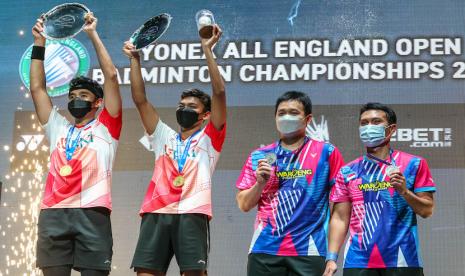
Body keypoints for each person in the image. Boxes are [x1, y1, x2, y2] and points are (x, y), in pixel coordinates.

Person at [123, 25, 226, 276]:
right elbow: (139, 99)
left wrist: (207, 50)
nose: (185, 109)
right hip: (156, 212)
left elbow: (219, 92)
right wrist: (135, 60)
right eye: (182, 105)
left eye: (192, 106)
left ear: (205, 115)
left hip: (192, 213)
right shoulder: (163, 136)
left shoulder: (211, 137)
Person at [30, 12, 122, 276]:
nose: (75, 99)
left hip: (92, 215)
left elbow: (112, 77)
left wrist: (92, 33)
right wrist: (39, 42)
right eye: (72, 96)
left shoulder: (108, 126)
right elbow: (38, 88)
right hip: (53, 215)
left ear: (97, 103)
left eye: (83, 95)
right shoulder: (58, 127)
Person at [236, 91, 344, 276]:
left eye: (293, 113)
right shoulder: (260, 156)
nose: (286, 117)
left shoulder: (327, 153)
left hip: (309, 251)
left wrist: (332, 256)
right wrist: (260, 184)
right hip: (264, 250)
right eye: (281, 113)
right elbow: (244, 204)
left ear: (307, 119)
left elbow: (340, 211)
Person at [323, 103, 436, 276]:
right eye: (364, 123)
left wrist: (404, 192)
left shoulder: (413, 164)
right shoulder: (347, 171)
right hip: (358, 261)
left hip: (402, 260)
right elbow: (339, 218)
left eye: (376, 122)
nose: (369, 127)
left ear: (391, 129)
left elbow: (427, 210)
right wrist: (331, 258)